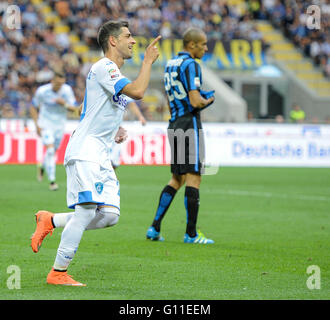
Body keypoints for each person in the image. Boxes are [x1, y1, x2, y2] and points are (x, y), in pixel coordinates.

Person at [30, 20, 161, 286]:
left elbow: (85, 109)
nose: (133, 41)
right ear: (113, 41)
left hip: (101, 153)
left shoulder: (107, 72)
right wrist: (148, 62)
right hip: (86, 151)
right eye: (128, 36)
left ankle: (51, 220)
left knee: (110, 215)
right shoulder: (104, 67)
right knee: (87, 210)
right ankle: (58, 272)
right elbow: (137, 92)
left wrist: (115, 127)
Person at [146, 27, 215, 244]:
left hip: (174, 123)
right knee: (194, 177)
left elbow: (171, 98)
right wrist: (208, 100)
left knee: (177, 178)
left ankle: (154, 228)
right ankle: (191, 234)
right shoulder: (191, 64)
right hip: (189, 124)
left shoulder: (170, 64)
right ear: (191, 44)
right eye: (203, 44)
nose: (206, 48)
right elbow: (195, 102)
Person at [30, 71, 78, 191]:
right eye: (57, 84)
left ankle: (42, 166)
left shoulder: (67, 91)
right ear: (52, 81)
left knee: (53, 150)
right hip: (45, 124)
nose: (59, 86)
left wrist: (65, 104)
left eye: (61, 84)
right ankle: (52, 181)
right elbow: (33, 106)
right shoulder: (42, 91)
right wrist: (36, 125)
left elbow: (75, 109)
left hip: (59, 125)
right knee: (50, 150)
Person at [110, 99, 147, 169]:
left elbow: (131, 104)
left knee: (114, 161)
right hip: (104, 129)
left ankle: (109, 179)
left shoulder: (123, 91)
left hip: (116, 129)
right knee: (105, 160)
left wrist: (140, 116)